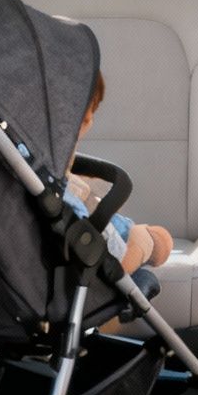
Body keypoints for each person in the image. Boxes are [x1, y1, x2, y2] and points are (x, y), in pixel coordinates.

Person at [63, 72, 172, 274]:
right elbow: (112, 267)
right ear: (85, 120)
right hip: (83, 270)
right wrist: (141, 245)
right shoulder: (64, 202)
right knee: (158, 241)